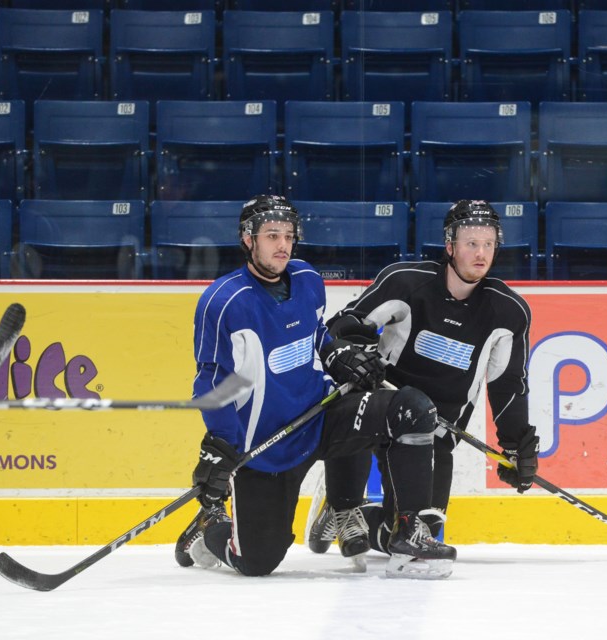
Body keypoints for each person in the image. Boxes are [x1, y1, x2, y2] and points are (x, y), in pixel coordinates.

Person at [173, 194, 456, 579]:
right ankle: (209, 529)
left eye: (289, 235)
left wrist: (336, 352)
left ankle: (409, 532)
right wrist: (221, 445)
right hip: (267, 444)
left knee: (411, 410)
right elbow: (211, 382)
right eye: (272, 235)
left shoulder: (307, 279)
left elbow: (316, 333)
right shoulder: (224, 302)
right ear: (247, 239)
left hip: (321, 414)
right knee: (256, 562)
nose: (283, 245)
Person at [307, 199, 539, 556]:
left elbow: (508, 385)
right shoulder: (407, 281)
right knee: (348, 395)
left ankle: (358, 517)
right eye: (470, 243)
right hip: (383, 411)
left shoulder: (508, 311)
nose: (481, 253)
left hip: (436, 432)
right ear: (450, 245)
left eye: (488, 243)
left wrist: (514, 445)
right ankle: (342, 503)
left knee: (416, 535)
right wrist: (355, 353)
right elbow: (345, 326)